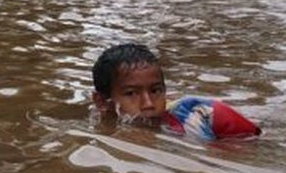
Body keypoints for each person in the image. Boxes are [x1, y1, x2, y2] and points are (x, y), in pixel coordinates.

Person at [91, 43, 261, 140]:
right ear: (101, 102)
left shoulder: (205, 116)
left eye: (156, 90)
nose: (148, 104)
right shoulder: (99, 133)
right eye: (131, 93)